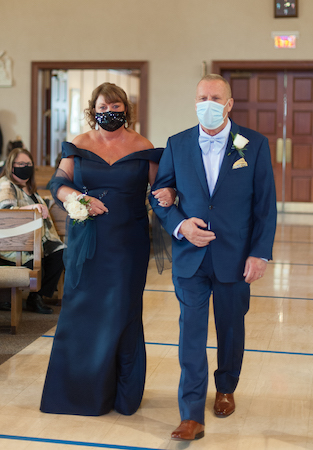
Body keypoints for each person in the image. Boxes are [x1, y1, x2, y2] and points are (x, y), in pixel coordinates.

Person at [150, 74, 277, 440]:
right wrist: (179, 225)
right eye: (202, 96)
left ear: (229, 104)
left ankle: (225, 387)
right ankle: (190, 413)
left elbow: (265, 206)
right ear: (195, 102)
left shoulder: (253, 145)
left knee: (231, 330)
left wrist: (259, 253)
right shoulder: (177, 143)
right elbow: (159, 193)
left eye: (215, 97)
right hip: (190, 256)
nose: (207, 102)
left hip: (235, 257)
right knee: (191, 333)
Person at [40, 82, 174, 416]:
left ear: (125, 110)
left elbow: (160, 189)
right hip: (87, 240)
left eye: (115, 108)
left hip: (128, 243)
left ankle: (121, 394)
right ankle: (76, 393)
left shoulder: (143, 147)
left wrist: (171, 194)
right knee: (81, 310)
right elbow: (58, 183)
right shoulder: (79, 145)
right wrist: (76, 197)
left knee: (122, 312)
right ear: (93, 109)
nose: (109, 113)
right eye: (103, 108)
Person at [0, 148, 65, 314]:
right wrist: (32, 208)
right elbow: (5, 210)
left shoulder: (30, 188)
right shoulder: (6, 185)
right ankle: (8, 297)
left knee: (60, 254)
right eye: (21, 163)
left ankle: (36, 297)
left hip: (38, 239)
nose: (25, 167)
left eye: (28, 164)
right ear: (11, 166)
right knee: (38, 264)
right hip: (14, 244)